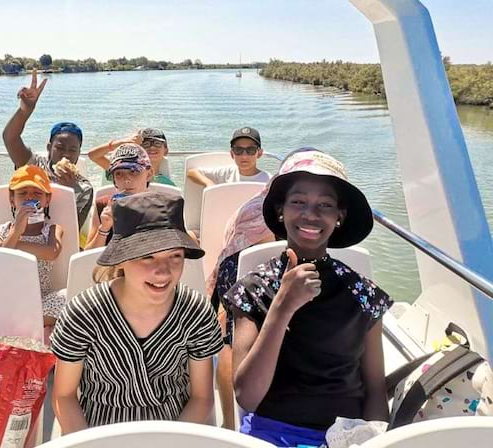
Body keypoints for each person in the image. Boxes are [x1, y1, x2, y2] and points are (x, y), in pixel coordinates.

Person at [223, 149, 393, 447]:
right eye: (298, 201)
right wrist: (283, 307)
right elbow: (247, 397)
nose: (310, 214)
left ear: (339, 216)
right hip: (270, 434)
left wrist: (375, 438)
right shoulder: (253, 289)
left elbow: (375, 390)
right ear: (281, 210)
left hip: (345, 434)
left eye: (325, 204)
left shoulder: (363, 294)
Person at [50, 191, 223, 433]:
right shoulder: (83, 313)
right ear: (120, 260)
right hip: (100, 432)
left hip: (173, 430)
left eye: (175, 256)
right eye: (147, 257)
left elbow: (202, 397)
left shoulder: (196, 311)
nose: (163, 271)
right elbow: (64, 396)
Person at [205, 180, 276, 429]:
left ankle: (231, 423)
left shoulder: (255, 204)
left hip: (271, 275)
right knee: (229, 345)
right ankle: (229, 422)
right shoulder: (256, 210)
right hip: (239, 272)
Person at [2, 69, 93, 231]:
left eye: (73, 150)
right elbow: (10, 138)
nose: (66, 154)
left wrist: (68, 191)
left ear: (79, 152)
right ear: (49, 147)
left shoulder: (84, 188)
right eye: (59, 147)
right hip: (20, 233)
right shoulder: (33, 165)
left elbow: (71, 230)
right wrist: (25, 111)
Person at [0, 165, 66, 327]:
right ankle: (25, 324)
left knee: (68, 297)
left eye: (37, 194)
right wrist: (17, 231)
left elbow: (51, 253)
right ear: (12, 199)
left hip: (40, 301)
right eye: (22, 193)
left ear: (47, 200)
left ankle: (20, 324)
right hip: (6, 298)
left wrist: (14, 245)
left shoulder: (52, 230)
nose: (29, 198)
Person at [84, 143, 153, 249]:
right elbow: (87, 257)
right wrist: (104, 228)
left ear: (148, 174)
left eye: (134, 172)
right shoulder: (103, 205)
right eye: (119, 174)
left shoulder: (163, 207)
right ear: (114, 179)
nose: (127, 180)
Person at [87, 128, 176, 186]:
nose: (152, 147)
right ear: (138, 149)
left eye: (157, 144)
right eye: (146, 144)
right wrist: (124, 142)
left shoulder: (168, 184)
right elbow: (93, 155)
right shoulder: (124, 172)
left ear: (166, 150)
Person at [187, 127, 270, 187]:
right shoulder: (225, 173)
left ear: (259, 153)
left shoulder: (269, 181)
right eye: (238, 150)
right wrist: (208, 183)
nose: (244, 156)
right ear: (232, 154)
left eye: (251, 150)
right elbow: (192, 172)